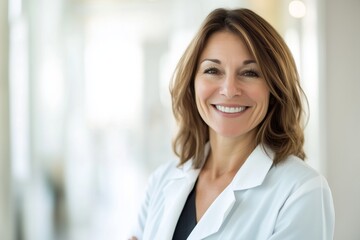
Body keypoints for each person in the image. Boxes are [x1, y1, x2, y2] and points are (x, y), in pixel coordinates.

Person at [129, 8, 335, 240]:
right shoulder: (162, 181)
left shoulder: (301, 191)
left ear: (274, 88)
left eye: (249, 73)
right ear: (192, 83)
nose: (229, 90)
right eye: (212, 70)